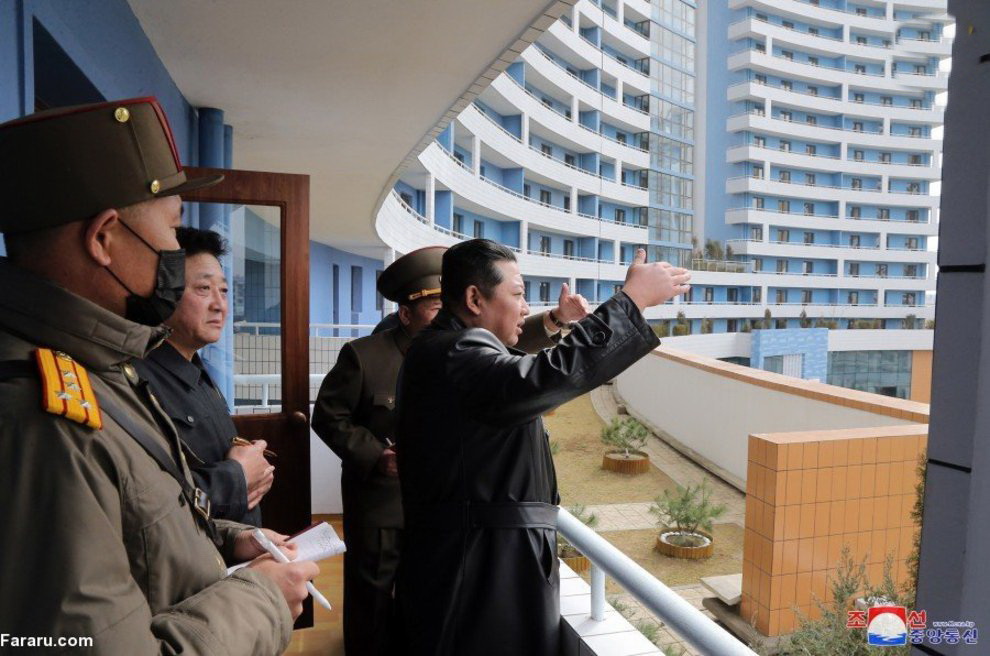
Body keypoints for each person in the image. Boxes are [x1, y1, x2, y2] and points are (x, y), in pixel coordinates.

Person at [0, 97, 318, 654]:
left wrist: (228, 538)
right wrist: (263, 599)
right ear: (103, 239)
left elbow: (144, 524)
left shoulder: (104, 368)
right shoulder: (42, 417)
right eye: (172, 230)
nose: (176, 250)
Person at [394, 239, 691, 655]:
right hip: (478, 565)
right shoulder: (455, 351)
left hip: (475, 554)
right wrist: (631, 301)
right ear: (475, 299)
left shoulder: (442, 346)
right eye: (517, 294)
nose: (524, 307)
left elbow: (519, 368)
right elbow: (543, 377)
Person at [312, 245, 589, 655]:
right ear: (406, 314)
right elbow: (328, 417)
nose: (445, 313)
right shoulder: (367, 357)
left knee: (428, 602)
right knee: (374, 597)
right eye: (434, 307)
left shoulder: (465, 348)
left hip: (448, 502)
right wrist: (376, 456)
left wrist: (556, 319)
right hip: (384, 501)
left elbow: (511, 346)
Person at [133, 226, 273, 525]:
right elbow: (151, 504)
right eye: (203, 289)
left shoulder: (196, 370)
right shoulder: (137, 380)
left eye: (223, 290)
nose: (219, 305)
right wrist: (238, 476)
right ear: (163, 294)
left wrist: (254, 472)